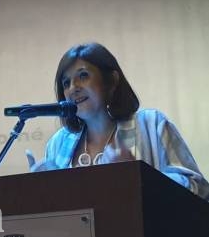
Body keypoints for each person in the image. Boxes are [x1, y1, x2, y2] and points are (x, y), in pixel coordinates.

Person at [26, 42, 209, 200]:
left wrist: (138, 177)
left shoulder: (152, 124)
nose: (73, 88)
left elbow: (198, 187)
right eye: (66, 83)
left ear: (111, 81)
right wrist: (45, 191)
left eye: (83, 76)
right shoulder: (58, 143)